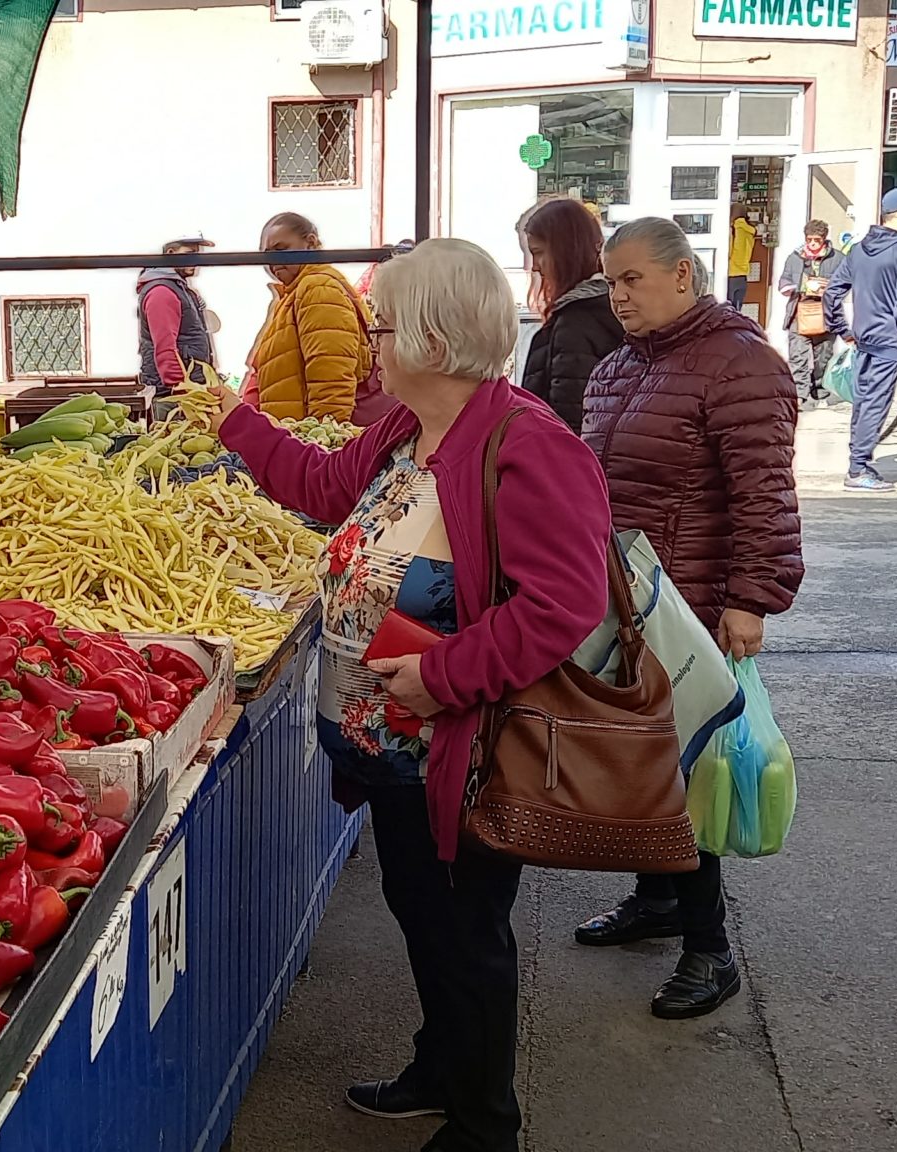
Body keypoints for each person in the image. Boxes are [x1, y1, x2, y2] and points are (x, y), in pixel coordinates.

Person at [206, 238, 613, 1152]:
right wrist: (237, 423)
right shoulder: (406, 428)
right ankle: (441, 1068)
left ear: (433, 337)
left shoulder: (527, 446)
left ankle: (484, 1125)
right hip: (391, 750)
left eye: (382, 327)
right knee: (423, 916)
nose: (371, 343)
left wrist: (441, 675)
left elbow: (563, 605)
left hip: (461, 754)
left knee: (467, 936)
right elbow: (322, 485)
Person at [570, 216, 804, 1021]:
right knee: (647, 760)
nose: (619, 296)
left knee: (689, 771)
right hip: (630, 598)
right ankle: (657, 900)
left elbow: (765, 493)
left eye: (633, 279)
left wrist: (751, 597)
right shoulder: (618, 366)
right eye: (611, 281)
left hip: (696, 602)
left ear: (683, 275)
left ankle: (710, 949)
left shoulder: (740, 363)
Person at [824, 187, 897, 492]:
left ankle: (858, 462)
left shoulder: (858, 249)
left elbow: (832, 292)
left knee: (863, 402)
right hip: (890, 340)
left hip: (864, 339)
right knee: (875, 404)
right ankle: (858, 469)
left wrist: (842, 329)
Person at [243, 212, 371, 420]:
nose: (273, 262)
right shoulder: (293, 294)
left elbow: (331, 379)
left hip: (305, 435)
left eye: (281, 250)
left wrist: (323, 434)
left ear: (310, 243)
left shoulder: (318, 288)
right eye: (267, 255)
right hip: (290, 433)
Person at [515, 197, 622, 430]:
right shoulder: (607, 309)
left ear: (565, 252)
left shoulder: (574, 322)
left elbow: (567, 420)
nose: (534, 266)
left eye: (538, 252)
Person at [137, 233, 217, 392]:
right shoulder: (162, 292)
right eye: (190, 253)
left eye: (198, 254)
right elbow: (165, 349)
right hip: (174, 392)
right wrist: (181, 390)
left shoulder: (179, 289)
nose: (196, 260)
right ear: (171, 253)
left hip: (188, 386)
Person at [775, 220, 839, 406]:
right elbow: (784, 281)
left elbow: (846, 283)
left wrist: (828, 287)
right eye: (809, 239)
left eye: (817, 240)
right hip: (798, 312)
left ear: (824, 239)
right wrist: (796, 287)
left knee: (823, 357)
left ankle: (819, 390)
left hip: (825, 314)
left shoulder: (838, 258)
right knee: (798, 356)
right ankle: (799, 395)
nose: (812, 244)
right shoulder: (795, 257)